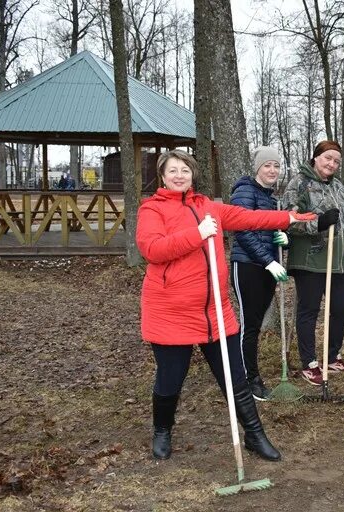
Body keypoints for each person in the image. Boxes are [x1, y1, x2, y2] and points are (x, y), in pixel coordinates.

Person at [136, 149, 315, 461]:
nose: (180, 176)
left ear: (193, 174)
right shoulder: (152, 210)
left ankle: (255, 436)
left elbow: (247, 217)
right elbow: (152, 250)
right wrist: (198, 233)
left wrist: (286, 218)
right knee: (170, 378)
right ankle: (162, 430)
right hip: (171, 311)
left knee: (234, 376)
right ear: (162, 177)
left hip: (214, 310)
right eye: (173, 171)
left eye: (185, 170)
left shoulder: (208, 206)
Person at [281, 140, 344, 385]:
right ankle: (309, 362)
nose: (332, 164)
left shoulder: (339, 187)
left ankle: (332, 354)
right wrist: (319, 222)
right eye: (328, 158)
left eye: (336, 161)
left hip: (338, 260)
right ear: (316, 158)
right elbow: (288, 219)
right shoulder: (300, 183)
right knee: (309, 309)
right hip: (310, 258)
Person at [230, 147, 289, 401]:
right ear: (257, 168)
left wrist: (284, 241)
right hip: (247, 267)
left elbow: (270, 234)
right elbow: (242, 230)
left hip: (266, 268)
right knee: (249, 325)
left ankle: (248, 374)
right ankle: (247, 380)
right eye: (267, 166)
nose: (272, 170)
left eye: (276, 166)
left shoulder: (272, 198)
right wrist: (268, 261)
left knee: (254, 323)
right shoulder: (245, 191)